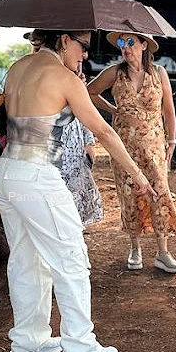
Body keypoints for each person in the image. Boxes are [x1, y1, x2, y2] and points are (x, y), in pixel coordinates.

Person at [0, 30, 154, 352]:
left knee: (25, 260)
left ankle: (27, 342)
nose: (85, 54)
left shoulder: (18, 67)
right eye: (83, 45)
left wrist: (73, 87)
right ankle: (80, 349)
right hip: (37, 174)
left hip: (6, 172)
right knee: (71, 261)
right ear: (64, 39)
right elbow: (104, 132)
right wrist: (138, 175)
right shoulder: (64, 77)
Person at [87, 32, 176, 272]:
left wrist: (172, 139)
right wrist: (112, 109)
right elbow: (89, 92)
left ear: (143, 45)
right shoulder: (114, 73)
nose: (125, 47)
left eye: (130, 42)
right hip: (124, 148)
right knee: (129, 195)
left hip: (154, 146)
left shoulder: (159, 73)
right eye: (121, 43)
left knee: (160, 192)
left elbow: (168, 109)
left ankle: (163, 252)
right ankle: (135, 248)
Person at [25, 30, 104, 226]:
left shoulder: (71, 68)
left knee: (76, 187)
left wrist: (88, 141)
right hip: (48, 146)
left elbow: (85, 111)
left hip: (73, 140)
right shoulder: (30, 70)